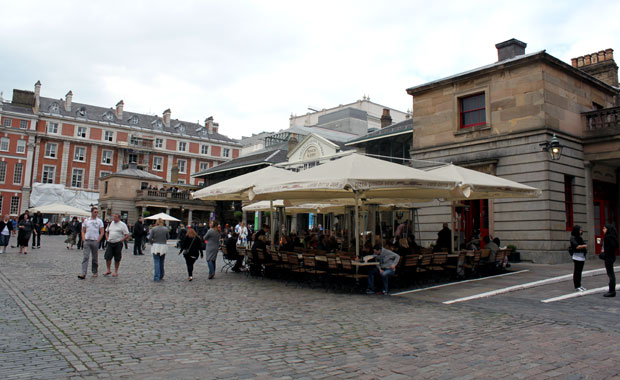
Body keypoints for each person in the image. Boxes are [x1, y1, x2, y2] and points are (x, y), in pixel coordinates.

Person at [79, 207, 104, 279]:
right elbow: (83, 231)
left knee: (94, 258)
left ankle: (95, 271)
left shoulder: (99, 221)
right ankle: (83, 273)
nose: (96, 213)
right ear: (92, 212)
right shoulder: (86, 220)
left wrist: (98, 240)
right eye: (95, 212)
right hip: (87, 240)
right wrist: (84, 239)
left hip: (95, 240)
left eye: (97, 212)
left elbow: (102, 232)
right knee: (86, 257)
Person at [569, 225, 588, 292]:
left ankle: (579, 285)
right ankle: (577, 285)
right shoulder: (573, 238)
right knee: (577, 271)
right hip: (576, 256)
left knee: (580, 271)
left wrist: (583, 246)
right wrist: (583, 246)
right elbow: (576, 246)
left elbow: (582, 244)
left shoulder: (580, 238)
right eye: (580, 230)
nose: (581, 231)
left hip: (582, 256)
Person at [601, 224, 617, 298]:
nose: (603, 230)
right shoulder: (611, 236)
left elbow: (612, 246)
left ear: (608, 229)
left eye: (604, 228)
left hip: (609, 257)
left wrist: (604, 251)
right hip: (611, 257)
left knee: (610, 274)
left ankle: (612, 291)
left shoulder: (608, 237)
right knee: (610, 273)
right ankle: (611, 290)